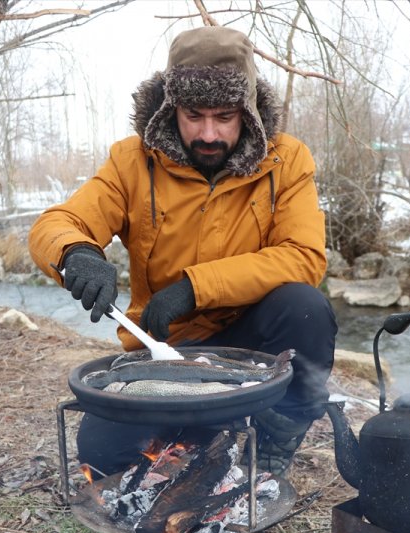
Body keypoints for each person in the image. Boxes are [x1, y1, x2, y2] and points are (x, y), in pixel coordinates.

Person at [29, 26, 337, 477]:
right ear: (171, 108)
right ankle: (208, 430)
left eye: (225, 117)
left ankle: (272, 441)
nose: (208, 133)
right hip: (164, 347)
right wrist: (76, 252)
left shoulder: (286, 161)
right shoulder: (132, 161)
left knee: (305, 308)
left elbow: (304, 256)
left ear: (247, 112)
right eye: (194, 115)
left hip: (249, 339)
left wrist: (195, 288)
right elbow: (56, 224)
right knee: (104, 456)